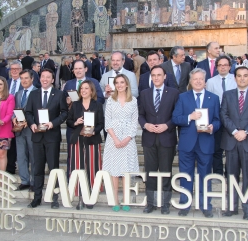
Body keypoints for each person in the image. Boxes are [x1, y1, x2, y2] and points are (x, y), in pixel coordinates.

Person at [172, 68, 220, 218]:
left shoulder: (214, 98)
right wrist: (189, 117)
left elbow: (218, 120)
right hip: (187, 143)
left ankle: (206, 205)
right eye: (195, 79)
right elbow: (175, 118)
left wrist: (213, 127)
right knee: (186, 175)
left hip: (206, 142)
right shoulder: (183, 97)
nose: (198, 81)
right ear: (190, 82)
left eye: (201, 79)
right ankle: (185, 204)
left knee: (205, 175)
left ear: (205, 81)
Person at [220, 66, 248, 221]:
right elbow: (223, 115)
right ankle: (231, 207)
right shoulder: (227, 95)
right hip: (231, 141)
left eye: (245, 76)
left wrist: (244, 132)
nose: (242, 78)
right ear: (235, 78)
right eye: (239, 76)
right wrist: (234, 132)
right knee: (231, 176)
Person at [138, 66, 179, 214]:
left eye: (159, 75)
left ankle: (166, 203)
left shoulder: (174, 93)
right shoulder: (144, 93)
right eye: (153, 75)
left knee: (166, 172)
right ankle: (150, 203)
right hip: (149, 138)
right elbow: (140, 114)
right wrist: (145, 124)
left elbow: (177, 115)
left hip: (166, 138)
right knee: (150, 172)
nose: (156, 78)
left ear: (165, 77)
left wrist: (167, 125)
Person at [25, 68, 68, 208]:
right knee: (37, 169)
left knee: (53, 169)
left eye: (48, 77)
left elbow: (64, 113)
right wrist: (31, 124)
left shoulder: (59, 94)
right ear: (40, 78)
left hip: (52, 137)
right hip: (37, 136)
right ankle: (37, 197)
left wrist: (53, 123)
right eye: (42, 77)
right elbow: (28, 112)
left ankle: (54, 198)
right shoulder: (33, 94)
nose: (45, 79)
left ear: (52, 79)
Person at [103, 74, 139, 212]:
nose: (119, 85)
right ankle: (115, 200)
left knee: (126, 171)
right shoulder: (111, 101)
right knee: (114, 172)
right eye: (116, 82)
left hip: (128, 140)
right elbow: (108, 121)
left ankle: (126, 200)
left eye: (122, 82)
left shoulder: (133, 101)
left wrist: (126, 139)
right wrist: (116, 139)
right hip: (113, 139)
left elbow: (134, 121)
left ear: (127, 84)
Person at [66, 80, 104, 210]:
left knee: (92, 168)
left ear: (91, 90)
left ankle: (91, 197)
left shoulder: (97, 105)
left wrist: (94, 131)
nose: (83, 90)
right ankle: (80, 198)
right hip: (78, 140)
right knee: (78, 168)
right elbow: (69, 121)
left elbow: (101, 123)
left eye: (86, 88)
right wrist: (75, 122)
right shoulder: (75, 105)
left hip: (92, 140)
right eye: (81, 88)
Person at [63, 60, 105, 178]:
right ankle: (71, 181)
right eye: (75, 69)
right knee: (73, 157)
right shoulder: (69, 84)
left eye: (80, 68)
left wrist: (92, 109)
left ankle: (92, 185)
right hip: (75, 131)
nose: (78, 71)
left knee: (92, 162)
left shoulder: (94, 82)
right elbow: (64, 105)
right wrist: (68, 102)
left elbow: (100, 99)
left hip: (92, 132)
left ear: (85, 69)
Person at [206, 56, 237, 176]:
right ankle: (218, 173)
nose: (222, 67)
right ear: (216, 67)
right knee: (217, 149)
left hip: (232, 119)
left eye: (225, 65)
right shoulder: (211, 81)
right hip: (217, 119)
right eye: (220, 65)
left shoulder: (235, 79)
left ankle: (230, 173)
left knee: (231, 149)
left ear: (229, 66)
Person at [13, 70, 37, 191]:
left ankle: (33, 181)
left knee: (33, 155)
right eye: (21, 78)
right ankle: (24, 180)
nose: (24, 80)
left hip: (31, 129)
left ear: (32, 79)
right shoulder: (18, 93)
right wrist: (14, 119)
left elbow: (39, 111)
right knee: (21, 155)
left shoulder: (37, 92)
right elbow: (15, 109)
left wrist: (30, 121)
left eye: (26, 78)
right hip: (19, 129)